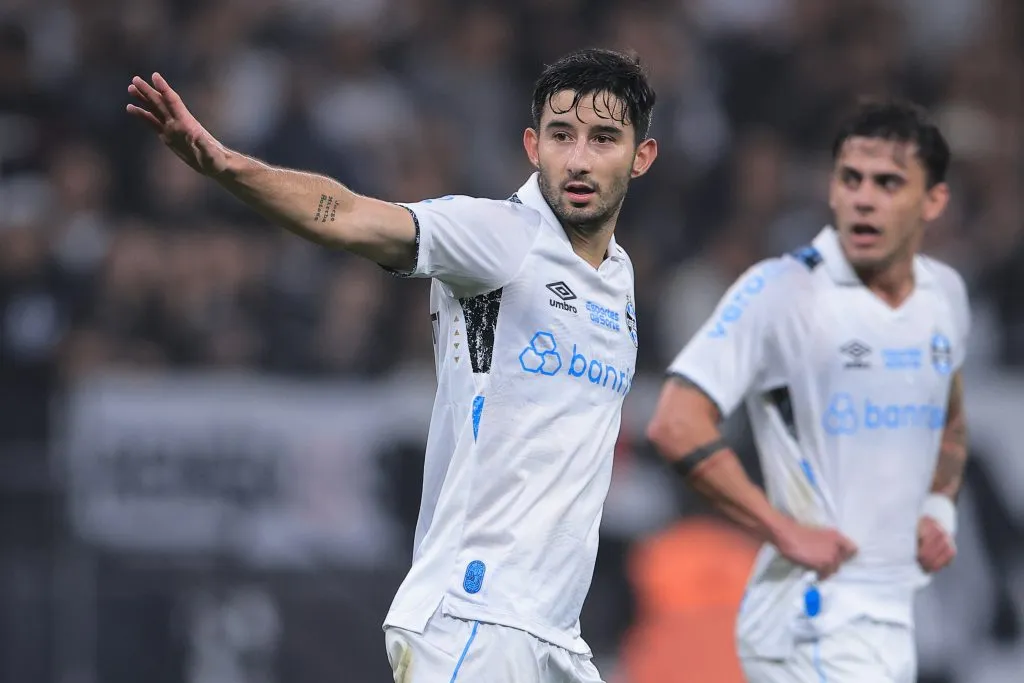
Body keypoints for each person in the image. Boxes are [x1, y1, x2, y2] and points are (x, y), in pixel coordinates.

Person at [127, 47, 658, 682]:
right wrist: (226, 166)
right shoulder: (500, 238)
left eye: (603, 138)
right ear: (531, 145)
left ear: (640, 156)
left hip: (554, 634)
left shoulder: (619, 280)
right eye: (561, 135)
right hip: (475, 619)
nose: (578, 157)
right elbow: (349, 215)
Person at [646, 100, 969, 683]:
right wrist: (781, 528)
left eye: (889, 182)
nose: (865, 197)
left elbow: (948, 410)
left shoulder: (942, 297)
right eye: (852, 179)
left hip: (890, 614)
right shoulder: (780, 291)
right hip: (810, 616)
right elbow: (676, 422)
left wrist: (939, 504)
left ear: (933, 201)